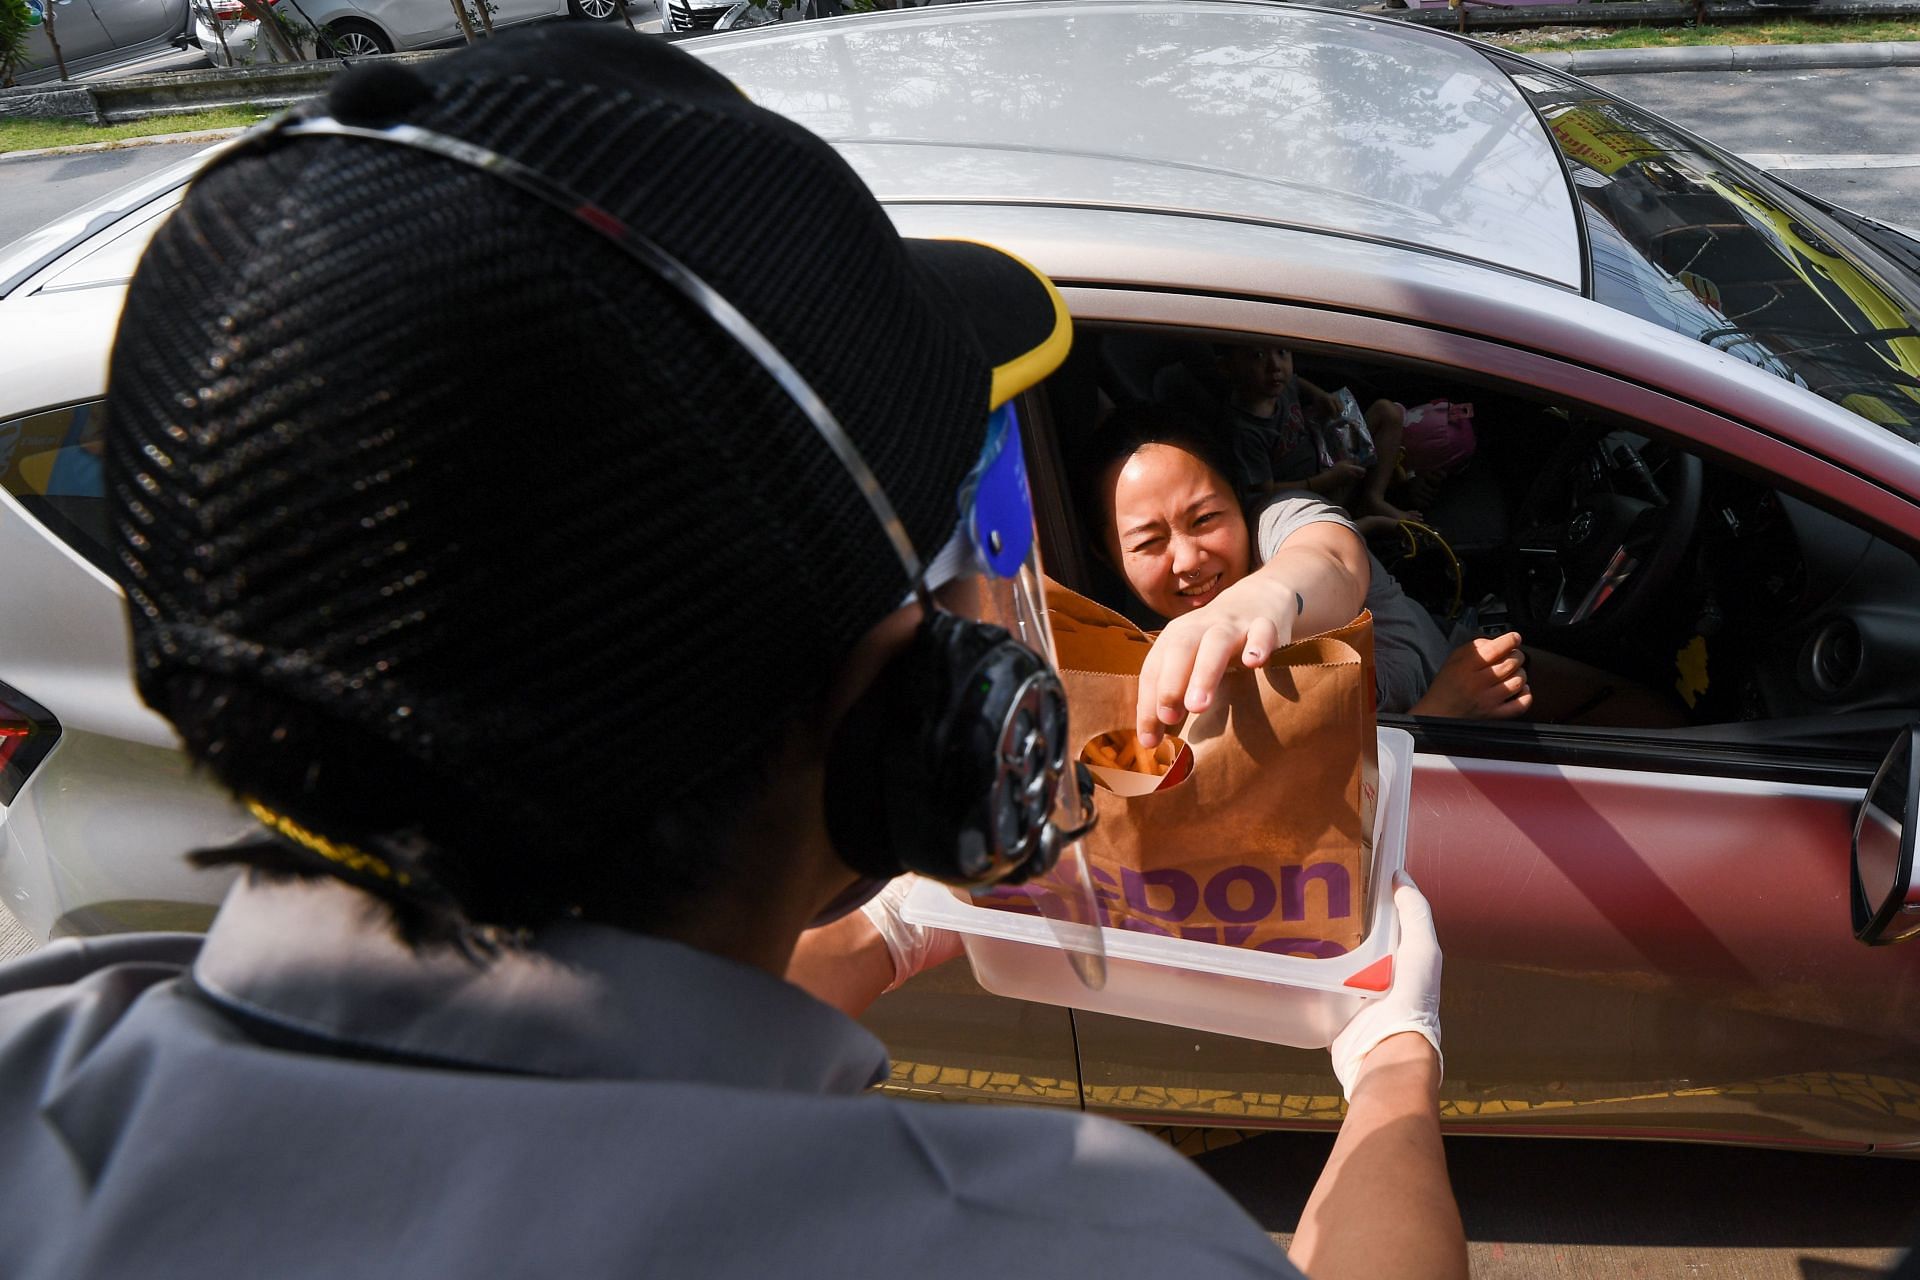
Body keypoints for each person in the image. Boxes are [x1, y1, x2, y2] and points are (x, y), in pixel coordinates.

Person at [0, 28, 1465, 1280]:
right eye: (963, 535)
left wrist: (883, 939)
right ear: (895, 709)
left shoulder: (37, 1083)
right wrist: (1395, 1068)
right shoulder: (1062, 1238)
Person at [1086, 406, 1535, 736]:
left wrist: (1264, 598)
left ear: (1241, 501)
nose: (1187, 561)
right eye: (1148, 542)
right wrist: (1443, 712)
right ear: (1108, 557)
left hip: (1467, 653)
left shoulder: (1279, 521)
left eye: (1204, 519)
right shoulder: (1119, 654)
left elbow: (1331, 561)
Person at [1215, 343, 1417, 531]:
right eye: (1257, 356)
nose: (1275, 366)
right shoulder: (1246, 431)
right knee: (1335, 527)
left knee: (1386, 412)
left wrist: (1320, 395)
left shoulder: (1278, 387)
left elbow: (1296, 381)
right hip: (1311, 495)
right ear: (1226, 367)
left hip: (1325, 455)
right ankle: (1365, 522)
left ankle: (1373, 498)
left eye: (1282, 352)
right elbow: (1264, 491)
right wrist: (1326, 480)